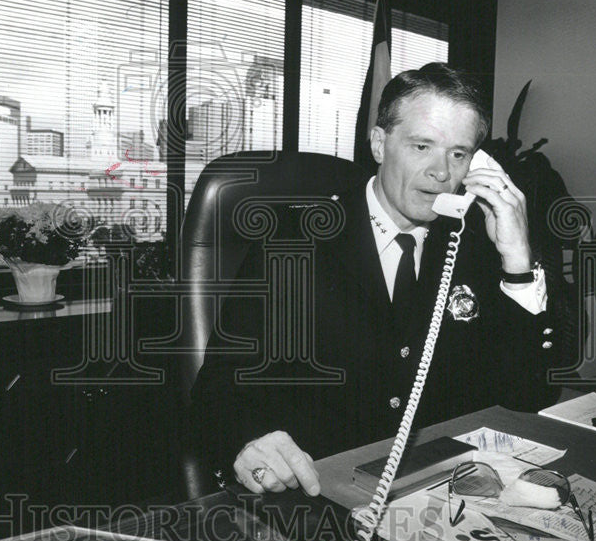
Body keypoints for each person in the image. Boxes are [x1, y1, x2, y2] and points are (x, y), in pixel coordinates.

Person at [188, 63, 561, 497]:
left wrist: (517, 261)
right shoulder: (292, 241)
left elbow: (528, 397)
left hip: (444, 491)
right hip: (317, 497)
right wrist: (250, 442)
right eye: (422, 146)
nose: (442, 172)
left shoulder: (473, 243)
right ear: (380, 144)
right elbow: (217, 389)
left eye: (458, 154)